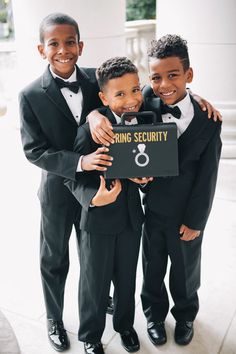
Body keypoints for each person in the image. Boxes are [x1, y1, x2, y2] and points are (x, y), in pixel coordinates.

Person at [18, 12, 113, 352]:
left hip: (96, 189)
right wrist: (79, 161)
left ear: (81, 46)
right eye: (53, 43)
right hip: (57, 191)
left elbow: (132, 97)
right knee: (54, 258)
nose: (62, 49)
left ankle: (97, 307)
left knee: (94, 256)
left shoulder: (95, 80)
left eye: (69, 42)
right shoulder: (30, 94)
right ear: (40, 49)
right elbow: (34, 150)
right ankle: (54, 318)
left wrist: (193, 97)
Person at [64, 56, 152, 354]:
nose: (132, 100)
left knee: (127, 277)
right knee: (94, 282)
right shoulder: (89, 131)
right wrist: (94, 198)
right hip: (98, 221)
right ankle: (90, 335)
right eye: (120, 94)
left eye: (136, 90)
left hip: (130, 218)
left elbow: (149, 165)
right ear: (103, 97)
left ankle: (125, 326)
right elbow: (72, 178)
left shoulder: (144, 123)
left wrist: (143, 180)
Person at [139, 34, 222, 347]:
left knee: (186, 270)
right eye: (156, 77)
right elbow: (110, 91)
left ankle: (185, 314)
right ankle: (153, 315)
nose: (164, 84)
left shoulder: (208, 121)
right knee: (152, 266)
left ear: (189, 75)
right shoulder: (146, 99)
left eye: (173, 75)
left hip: (187, 212)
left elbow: (208, 177)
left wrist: (196, 220)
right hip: (152, 208)